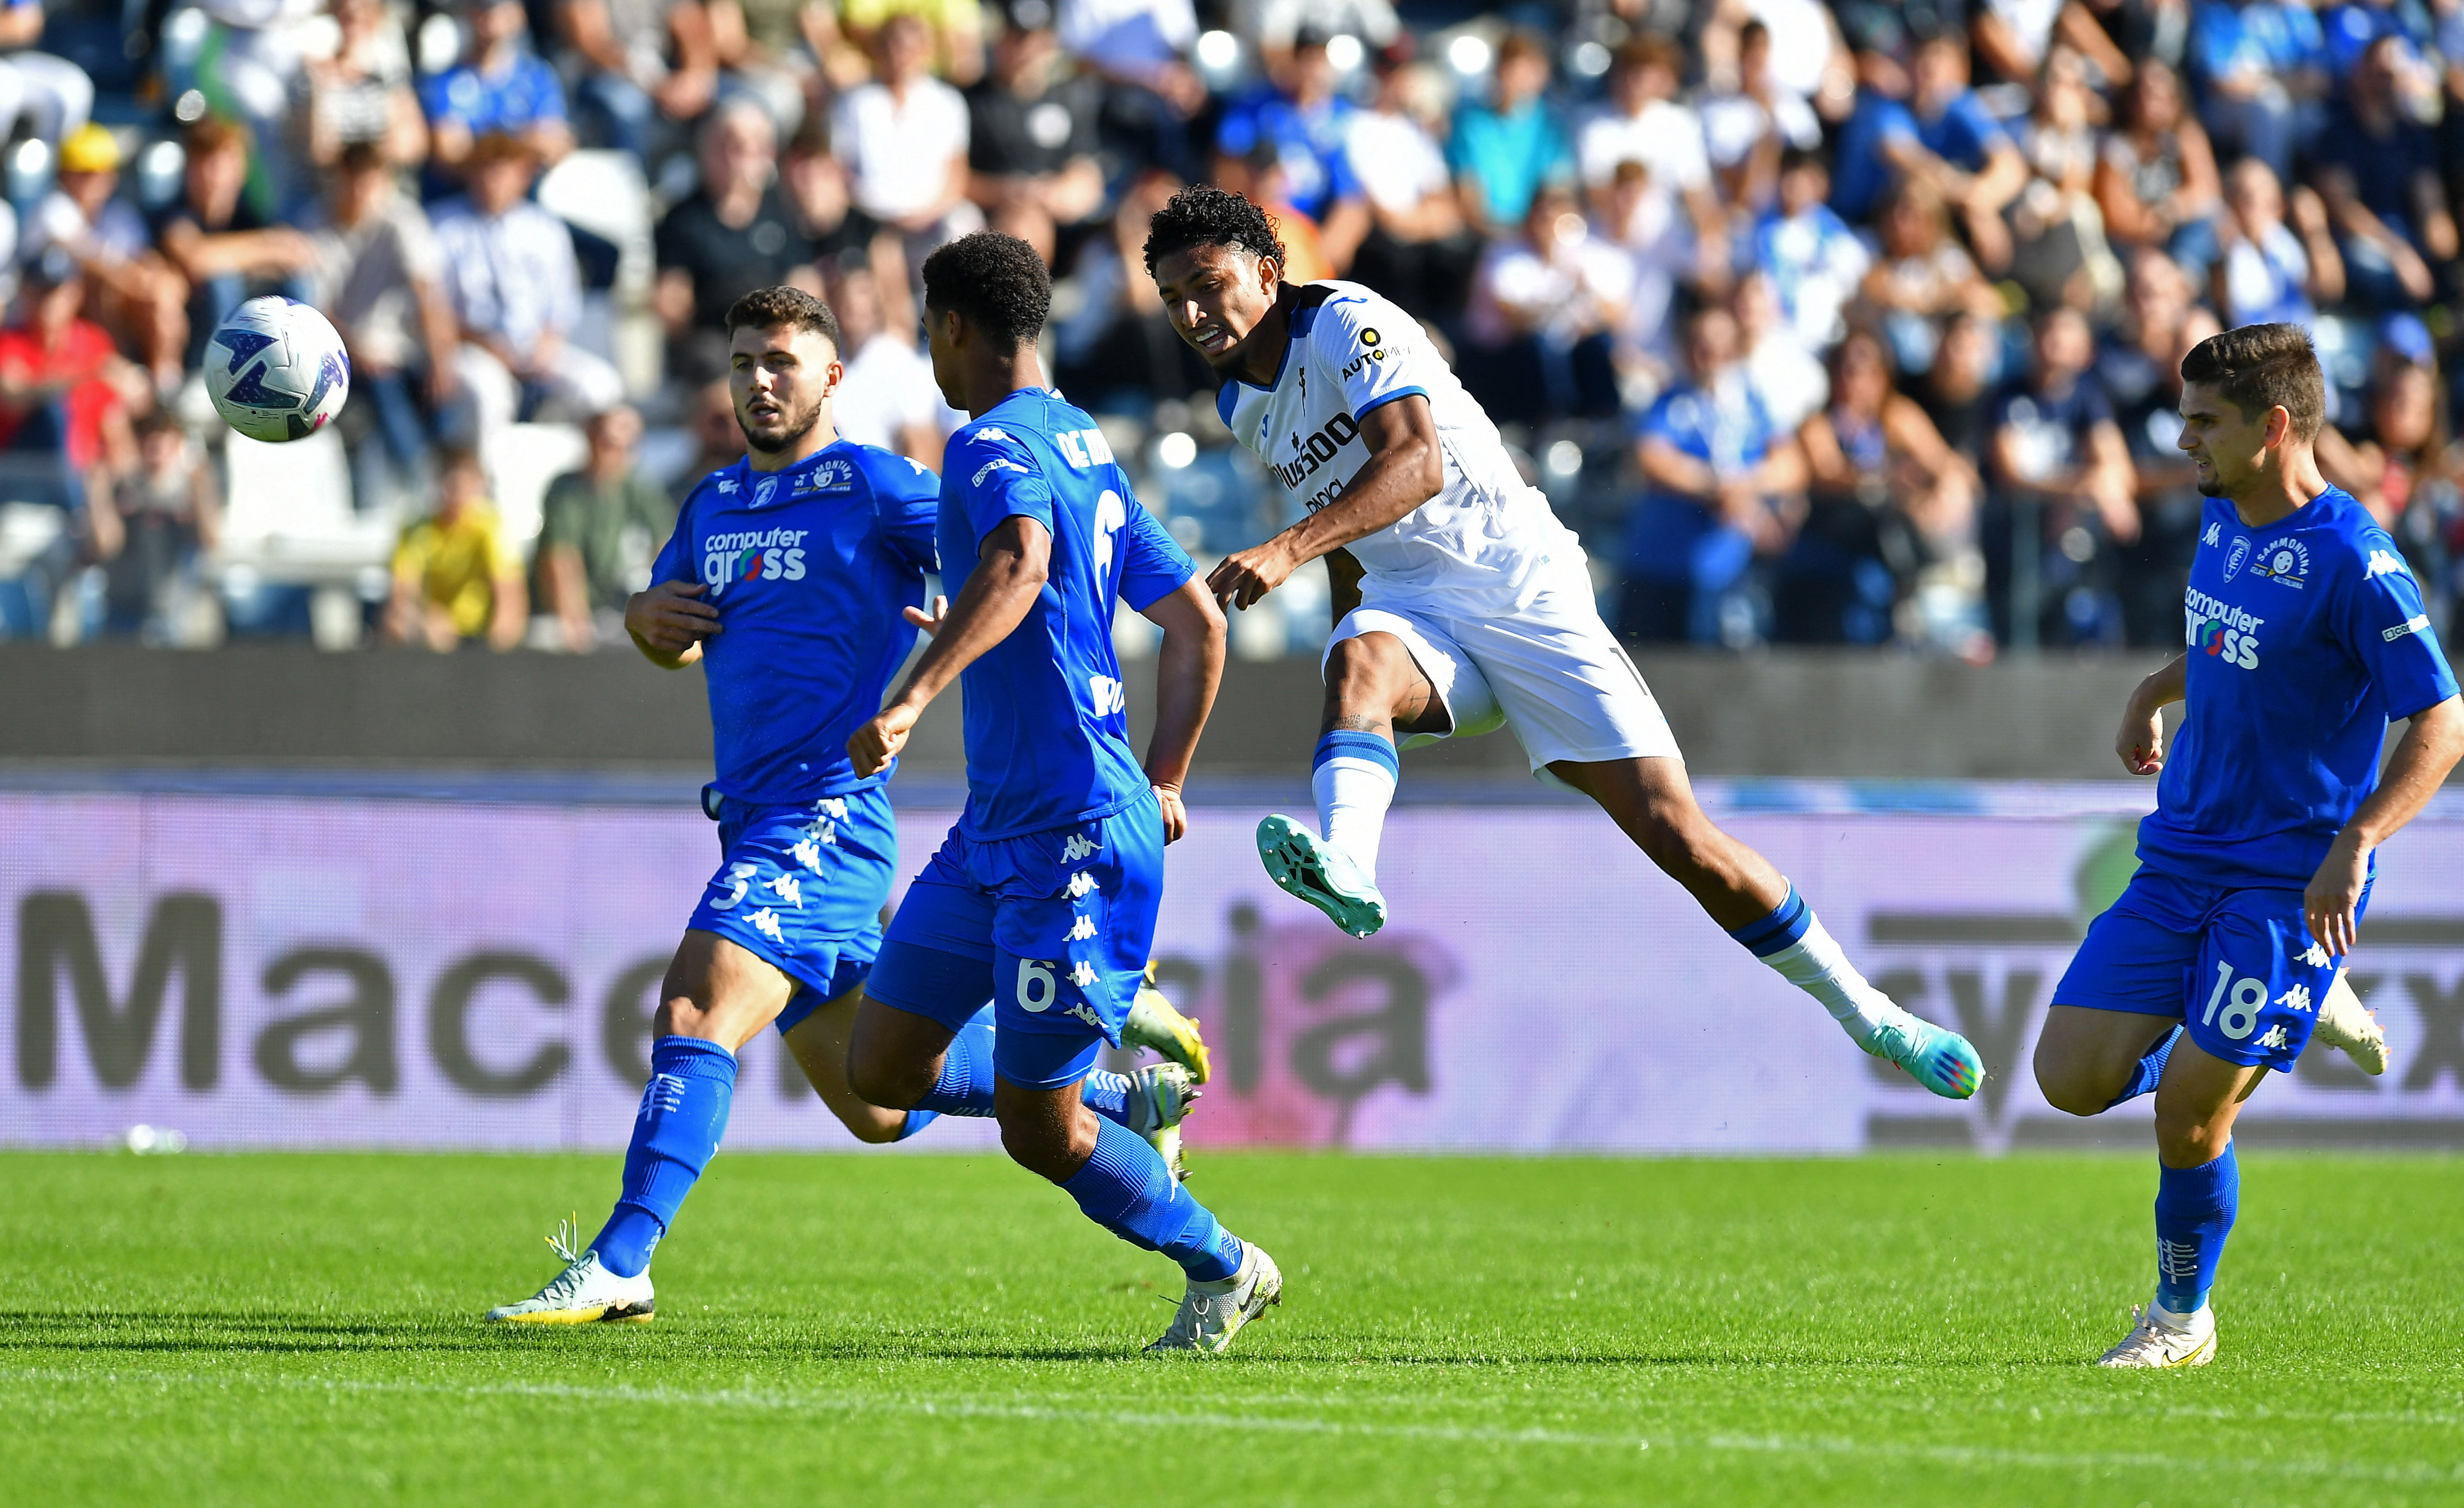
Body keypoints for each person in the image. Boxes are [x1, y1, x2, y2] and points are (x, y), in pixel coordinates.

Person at [1144, 185, 1985, 1100]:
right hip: (1414, 606)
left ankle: (1874, 1017)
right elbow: (1348, 537)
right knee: (1353, 659)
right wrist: (1367, 699)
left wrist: (1286, 549)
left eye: (1208, 284)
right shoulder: (1241, 401)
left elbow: (1416, 463)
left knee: (1676, 833)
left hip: (1520, 588)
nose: (1192, 313)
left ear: (1268, 274)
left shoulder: (1347, 320)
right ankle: (1348, 862)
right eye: (1172, 298)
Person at [484, 283, 1212, 1325]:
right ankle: (1113, 1094)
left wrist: (954, 629)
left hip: (826, 814)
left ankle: (620, 1259)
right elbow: (674, 635)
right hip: (750, 814)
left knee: (695, 1006)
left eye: (780, 361)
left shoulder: (877, 487)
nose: (759, 381)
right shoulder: (711, 504)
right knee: (878, 1098)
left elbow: (1012, 557)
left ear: (831, 377)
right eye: (743, 363)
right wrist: (644, 616)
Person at [830, 231, 1265, 1352]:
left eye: (929, 331)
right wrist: (1163, 773)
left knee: (1036, 1130)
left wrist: (909, 698)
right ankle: (1124, 1096)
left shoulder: (985, 444)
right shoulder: (1086, 446)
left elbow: (1021, 562)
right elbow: (1193, 622)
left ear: (951, 328)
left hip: (1070, 834)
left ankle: (1224, 1264)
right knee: (879, 1066)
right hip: (997, 830)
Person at [2032, 322, 2461, 1367]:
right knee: (2067, 1077)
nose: (2182, 439)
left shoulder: (2357, 564)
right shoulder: (2223, 512)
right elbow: (2230, 638)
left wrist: (2357, 841)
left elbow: (2442, 720)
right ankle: (2298, 1007)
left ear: (2272, 427)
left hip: (2286, 882)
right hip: (2180, 856)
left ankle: (2179, 1320)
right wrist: (2151, 689)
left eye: (2201, 421)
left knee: (2188, 1113)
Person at [430, 132, 626, 441]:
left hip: (535, 348)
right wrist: (488, 347)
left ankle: (576, 468)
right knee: (489, 393)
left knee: (602, 386)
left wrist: (546, 345)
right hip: (472, 348)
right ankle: (488, 468)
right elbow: (434, 307)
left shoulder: (546, 230)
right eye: (486, 169)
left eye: (504, 171)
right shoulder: (441, 227)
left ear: (524, 176)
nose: (494, 181)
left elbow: (562, 304)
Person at [654, 101, 820, 381]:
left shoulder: (784, 211)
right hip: (713, 344)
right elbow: (672, 302)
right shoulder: (683, 220)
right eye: (730, 145)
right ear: (707, 150)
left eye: (753, 146)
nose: (740, 156)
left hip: (777, 337)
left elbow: (806, 284)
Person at [963, 0, 1105, 263]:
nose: (1027, 50)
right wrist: (1010, 192)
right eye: (1017, 39)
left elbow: (1086, 177)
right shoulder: (972, 101)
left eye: (1036, 40)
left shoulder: (1071, 96)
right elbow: (957, 181)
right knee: (1021, 226)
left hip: (1058, 218)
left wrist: (1047, 195)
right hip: (992, 217)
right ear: (999, 40)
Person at [537, 404, 676, 650]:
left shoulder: (638, 487)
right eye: (609, 444)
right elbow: (560, 559)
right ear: (591, 439)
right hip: (563, 612)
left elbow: (666, 546)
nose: (617, 455)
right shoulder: (566, 491)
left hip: (614, 606)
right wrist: (576, 625)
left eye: (628, 447)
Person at [85, 409, 220, 642]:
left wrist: (203, 486)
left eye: (162, 446)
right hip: (121, 610)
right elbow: (106, 544)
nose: (155, 456)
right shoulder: (123, 489)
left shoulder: (187, 493)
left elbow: (211, 541)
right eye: (148, 446)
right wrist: (99, 492)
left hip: (171, 614)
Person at [386, 447, 527, 650]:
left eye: (463, 483)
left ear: (478, 484)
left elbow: (510, 597)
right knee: (397, 622)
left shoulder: (491, 528)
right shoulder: (416, 530)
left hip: (480, 639)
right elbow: (402, 594)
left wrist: (496, 648)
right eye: (450, 482)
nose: (456, 491)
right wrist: (428, 618)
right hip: (431, 634)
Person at [421, 0, 574, 179]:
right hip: (462, 193)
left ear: (519, 15)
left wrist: (482, 146)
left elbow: (555, 145)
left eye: (502, 9)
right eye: (483, 10)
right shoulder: (444, 82)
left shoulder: (538, 77)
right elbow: (450, 154)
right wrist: (522, 142)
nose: (492, 19)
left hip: (525, 191)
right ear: (471, 15)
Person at [1447, 30, 1569, 239]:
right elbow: (1470, 201)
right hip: (1484, 239)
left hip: (1536, 239)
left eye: (1526, 72)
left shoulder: (1552, 127)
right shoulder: (1472, 126)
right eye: (1511, 71)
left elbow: (1558, 193)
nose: (1516, 81)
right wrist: (1508, 238)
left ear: (1543, 75)